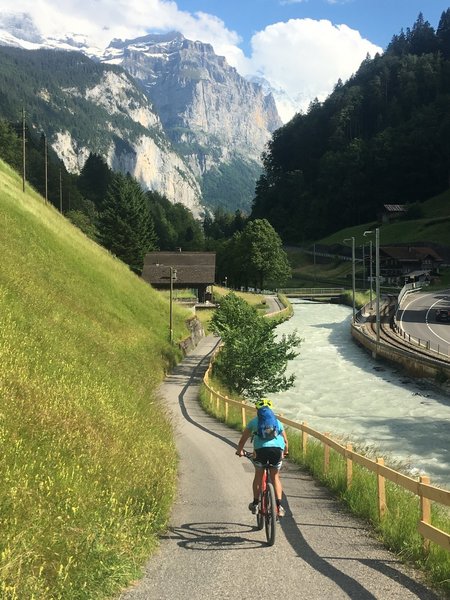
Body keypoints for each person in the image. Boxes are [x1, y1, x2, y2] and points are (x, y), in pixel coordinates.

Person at [235, 398, 288, 517]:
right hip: (276, 451)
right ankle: (279, 507)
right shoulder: (277, 422)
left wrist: (240, 451)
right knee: (275, 477)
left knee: (258, 475)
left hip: (260, 451)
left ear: (257, 410)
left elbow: (242, 440)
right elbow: (285, 441)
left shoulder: (254, 422)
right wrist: (285, 452)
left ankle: (255, 503)